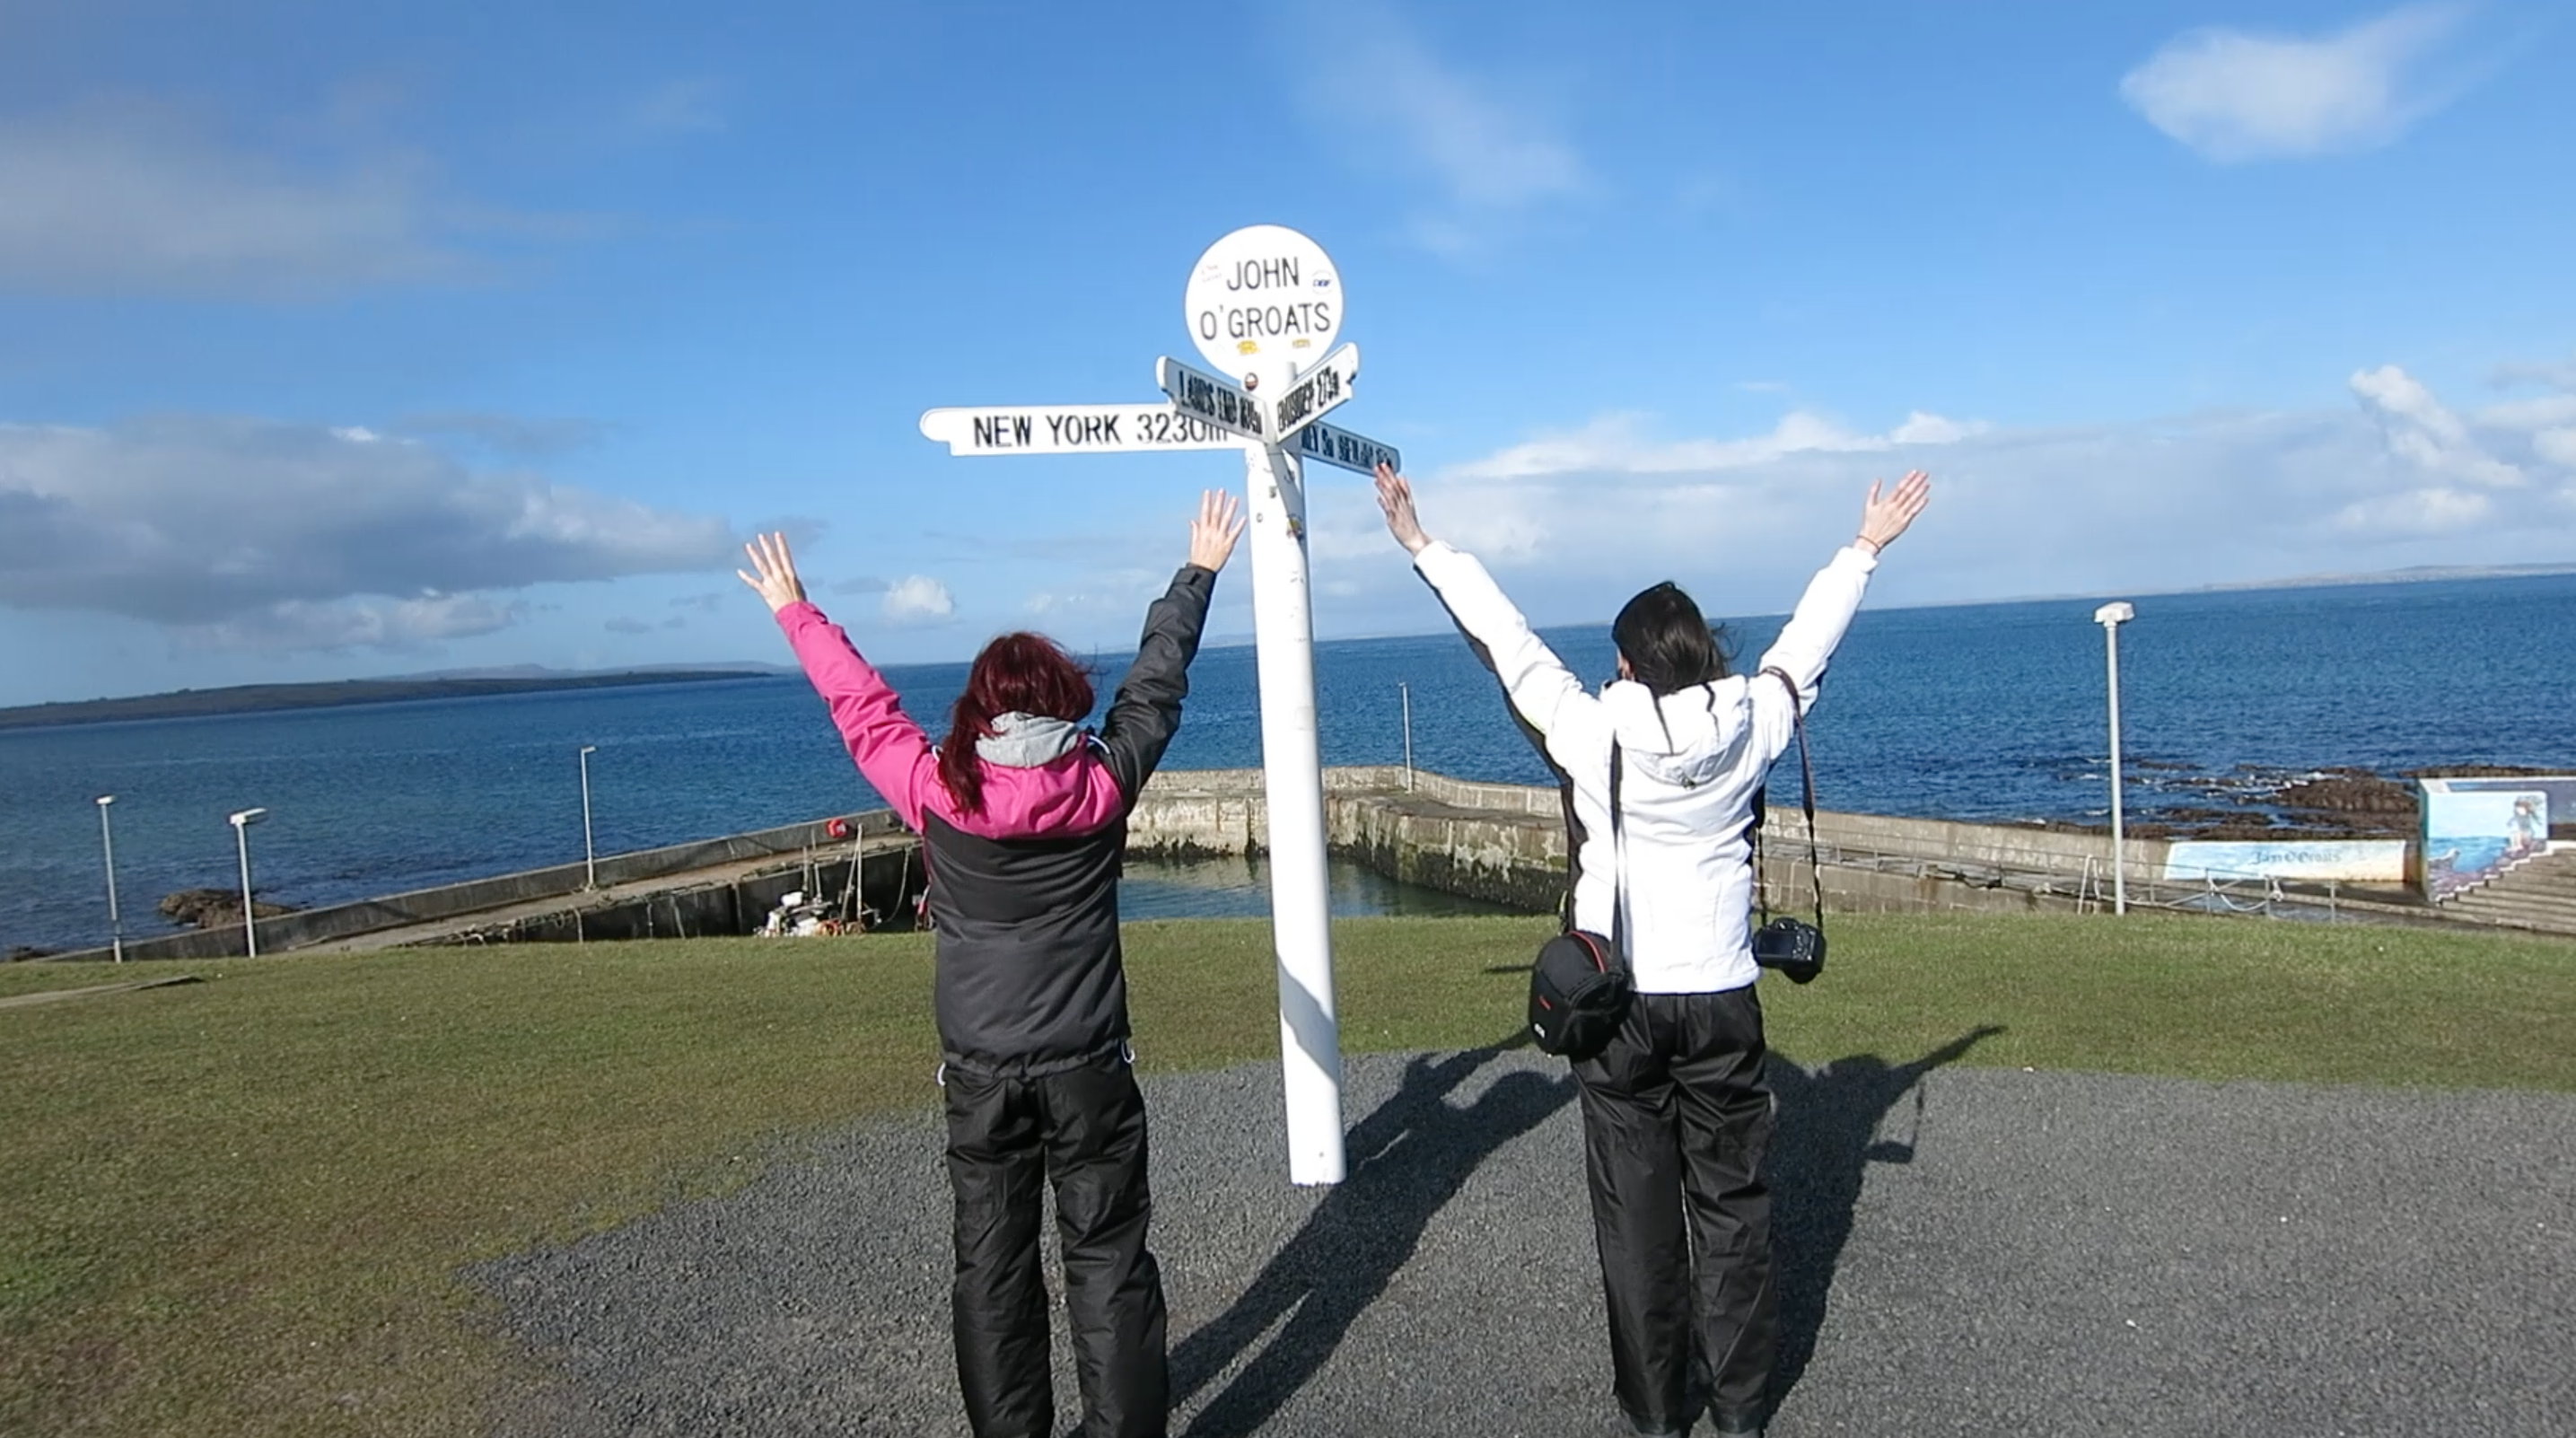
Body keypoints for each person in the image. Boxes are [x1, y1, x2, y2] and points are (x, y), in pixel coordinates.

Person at [1371, 461, 1931, 1438]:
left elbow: (1505, 643)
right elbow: (1808, 642)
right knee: (1733, 1206)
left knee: (1634, 1222)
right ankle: (1742, 1409)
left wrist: (1423, 546)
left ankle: (1657, 1414)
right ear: (1703, 653)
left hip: (1615, 1003)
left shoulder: (1592, 732)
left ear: (1628, 665)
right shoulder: (1752, 719)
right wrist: (1864, 546)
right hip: (1719, 998)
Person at [737, 491, 1246, 1438]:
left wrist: (793, 609)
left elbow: (862, 710)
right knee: (1107, 1257)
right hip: (1088, 1064)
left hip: (979, 1072)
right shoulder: (1099, 782)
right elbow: (1155, 687)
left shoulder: (938, 789)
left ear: (979, 704)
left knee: (992, 1263)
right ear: (1063, 700)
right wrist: (1198, 573)